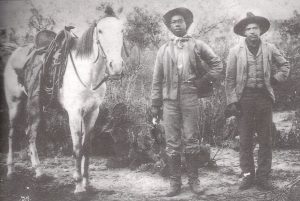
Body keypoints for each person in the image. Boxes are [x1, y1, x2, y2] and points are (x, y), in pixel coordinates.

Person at [151, 7, 223, 196]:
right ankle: (175, 182)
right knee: (172, 141)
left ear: (186, 24)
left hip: (190, 96)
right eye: (173, 22)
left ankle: (194, 180)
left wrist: (203, 81)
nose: (177, 24)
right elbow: (157, 79)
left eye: (180, 21)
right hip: (169, 100)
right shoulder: (163, 50)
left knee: (191, 138)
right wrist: (154, 104)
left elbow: (217, 64)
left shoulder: (198, 45)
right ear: (170, 26)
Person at [225, 12, 290, 191]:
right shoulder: (235, 52)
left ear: (260, 30)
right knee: (245, 139)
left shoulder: (270, 48)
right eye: (248, 28)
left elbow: (285, 65)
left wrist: (275, 79)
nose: (252, 31)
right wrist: (232, 101)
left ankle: (263, 176)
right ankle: (247, 176)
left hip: (264, 99)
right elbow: (229, 79)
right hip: (244, 99)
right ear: (244, 32)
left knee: (265, 139)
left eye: (255, 28)